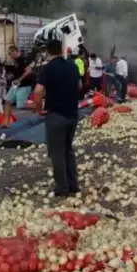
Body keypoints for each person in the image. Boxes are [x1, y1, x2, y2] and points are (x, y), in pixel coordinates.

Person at [30, 39, 81, 197]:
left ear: (48, 52)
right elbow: (79, 86)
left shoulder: (49, 68)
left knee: (57, 153)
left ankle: (62, 187)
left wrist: (39, 109)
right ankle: (74, 185)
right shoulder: (72, 66)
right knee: (68, 150)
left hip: (56, 116)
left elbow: (38, 91)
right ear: (61, 50)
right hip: (72, 114)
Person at [2, 46, 34, 126]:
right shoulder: (16, 60)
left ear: (15, 51)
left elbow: (29, 71)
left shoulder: (22, 59)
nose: (9, 55)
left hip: (24, 84)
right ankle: (6, 123)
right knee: (7, 100)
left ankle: (40, 106)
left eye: (10, 53)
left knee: (21, 105)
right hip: (16, 85)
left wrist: (19, 79)